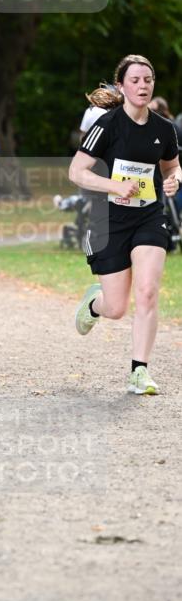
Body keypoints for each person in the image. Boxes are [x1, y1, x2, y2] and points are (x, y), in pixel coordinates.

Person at [70, 54, 181, 395]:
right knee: (116, 308)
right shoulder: (106, 126)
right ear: (121, 85)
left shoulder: (164, 128)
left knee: (147, 291)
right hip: (109, 221)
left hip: (149, 216)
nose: (142, 85)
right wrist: (115, 186)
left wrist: (175, 179)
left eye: (147, 80)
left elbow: (172, 167)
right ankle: (94, 304)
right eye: (135, 80)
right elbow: (77, 172)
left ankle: (139, 371)